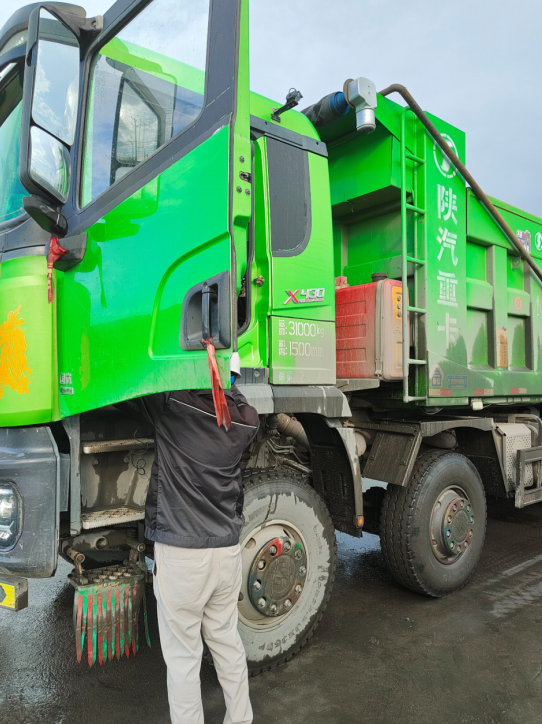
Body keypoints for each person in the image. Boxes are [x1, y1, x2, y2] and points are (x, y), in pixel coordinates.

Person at [119, 385, 259, 724]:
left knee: (183, 658)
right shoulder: (245, 419)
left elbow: (129, 384)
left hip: (182, 555)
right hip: (225, 552)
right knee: (226, 643)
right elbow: (236, 394)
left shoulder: (172, 405)